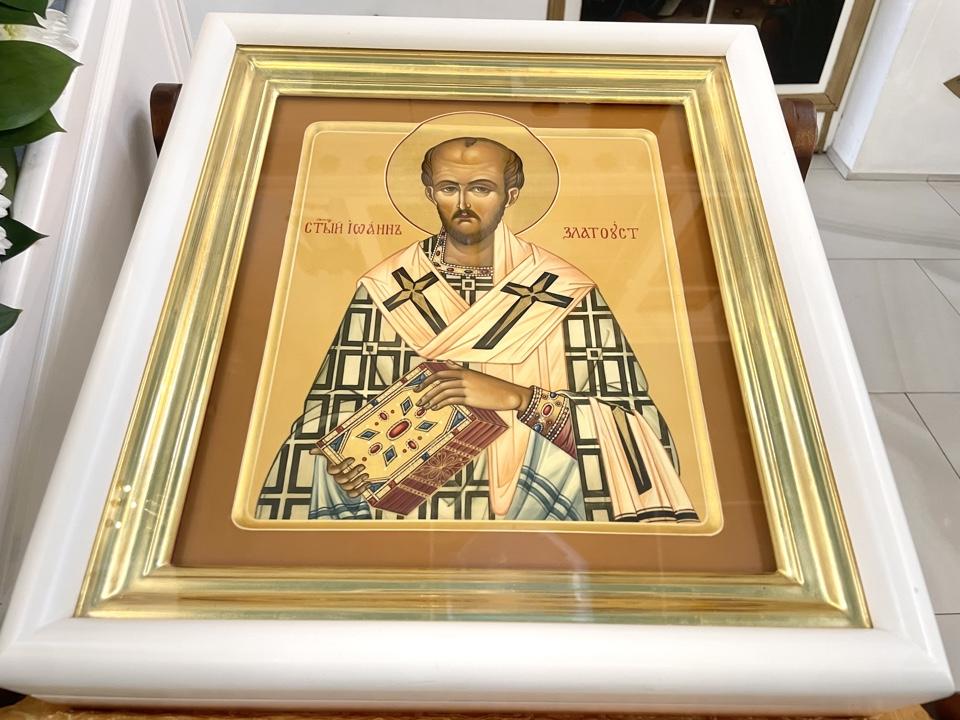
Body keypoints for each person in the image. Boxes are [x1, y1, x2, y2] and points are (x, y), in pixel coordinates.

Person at [256, 135, 698, 522]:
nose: (464, 203)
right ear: (430, 193)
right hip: (403, 512)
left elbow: (638, 428)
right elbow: (329, 409)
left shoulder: (564, 291)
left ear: (511, 194)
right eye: (450, 188)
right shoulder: (388, 287)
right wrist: (344, 461)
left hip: (533, 508)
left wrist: (520, 399)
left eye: (482, 188)